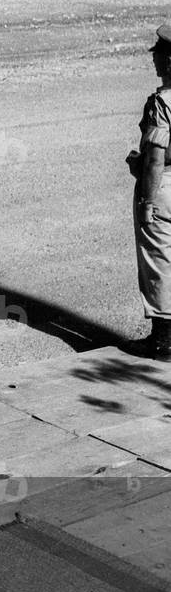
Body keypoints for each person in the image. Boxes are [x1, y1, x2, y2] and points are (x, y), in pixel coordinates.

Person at [126, 22, 171, 360]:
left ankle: (164, 342)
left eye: (159, 54)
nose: (154, 59)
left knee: (158, 263)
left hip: (163, 189)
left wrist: (147, 201)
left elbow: (156, 158)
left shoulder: (162, 102)